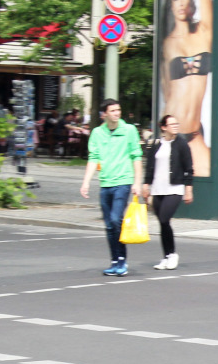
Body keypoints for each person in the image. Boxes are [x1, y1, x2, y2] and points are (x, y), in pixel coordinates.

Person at [80, 98, 143, 277]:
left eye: (118, 110)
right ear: (105, 114)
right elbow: (93, 158)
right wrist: (86, 182)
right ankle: (114, 261)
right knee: (109, 225)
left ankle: (122, 260)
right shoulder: (97, 133)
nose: (117, 113)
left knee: (116, 220)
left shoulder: (129, 130)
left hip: (123, 182)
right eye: (113, 110)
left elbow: (136, 156)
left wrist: (137, 182)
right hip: (105, 183)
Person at [160, 0, 214, 177]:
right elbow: (166, 91)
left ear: (191, 2)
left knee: (208, 173)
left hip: (194, 132)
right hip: (171, 132)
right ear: (170, 4)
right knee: (163, 191)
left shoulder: (203, 32)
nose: (181, 3)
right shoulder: (167, 44)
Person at [141, 115, 194, 271]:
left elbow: (189, 168)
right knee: (163, 224)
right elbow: (150, 166)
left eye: (176, 124)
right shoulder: (156, 144)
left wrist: (188, 189)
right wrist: (146, 185)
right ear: (163, 127)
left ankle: (173, 255)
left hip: (174, 188)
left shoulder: (182, 144)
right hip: (158, 189)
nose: (175, 126)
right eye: (172, 124)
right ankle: (166, 256)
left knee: (164, 218)